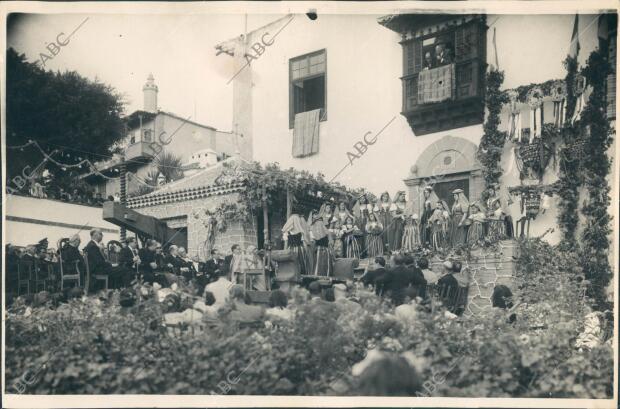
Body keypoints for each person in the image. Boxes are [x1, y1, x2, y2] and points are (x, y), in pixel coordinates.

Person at [309, 211, 332, 276]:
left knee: (322, 260)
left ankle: (323, 273)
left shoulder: (320, 223)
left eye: (317, 214)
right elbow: (312, 236)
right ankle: (318, 273)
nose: (316, 216)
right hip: (317, 246)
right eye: (315, 214)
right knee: (318, 260)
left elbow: (326, 233)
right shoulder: (312, 225)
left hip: (323, 245)